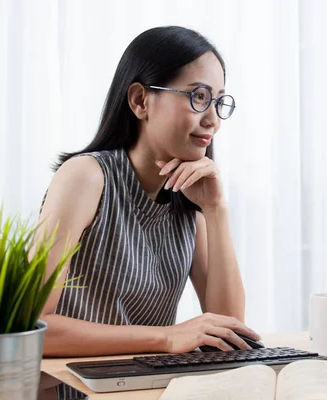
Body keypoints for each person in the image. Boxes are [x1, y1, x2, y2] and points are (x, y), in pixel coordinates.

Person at [36, 26, 260, 357]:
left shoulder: (189, 198)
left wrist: (216, 209)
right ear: (141, 100)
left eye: (218, 101)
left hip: (147, 387)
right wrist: (167, 338)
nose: (213, 119)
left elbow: (230, 330)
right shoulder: (86, 178)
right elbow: (32, 327)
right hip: (79, 389)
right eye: (198, 97)